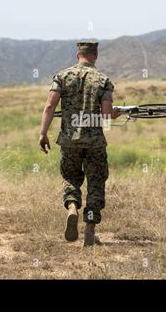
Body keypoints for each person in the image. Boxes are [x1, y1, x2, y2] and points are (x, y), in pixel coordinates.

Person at [38, 41, 121, 246]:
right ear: (95, 56)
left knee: (71, 177)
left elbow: (49, 106)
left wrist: (43, 133)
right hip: (94, 142)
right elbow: (106, 115)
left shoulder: (62, 77)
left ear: (78, 55)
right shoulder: (103, 80)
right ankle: (90, 233)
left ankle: (73, 206)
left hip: (69, 140)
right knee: (95, 183)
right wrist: (116, 114)